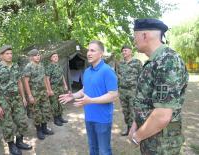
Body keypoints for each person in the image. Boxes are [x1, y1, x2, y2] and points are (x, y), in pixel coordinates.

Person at [128, 18, 189, 154]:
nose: (133, 40)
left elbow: (162, 115)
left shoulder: (168, 61)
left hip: (162, 145)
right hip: (151, 137)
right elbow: (144, 101)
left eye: (135, 36)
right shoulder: (155, 61)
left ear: (144, 35)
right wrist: (135, 125)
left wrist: (136, 137)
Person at [59, 40, 118, 155]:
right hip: (89, 117)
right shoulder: (87, 71)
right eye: (88, 50)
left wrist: (91, 100)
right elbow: (85, 89)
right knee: (93, 149)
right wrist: (73, 96)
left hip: (102, 119)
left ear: (101, 53)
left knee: (104, 150)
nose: (89, 53)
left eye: (93, 50)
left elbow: (113, 95)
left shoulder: (107, 71)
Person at [0, 45, 32, 155]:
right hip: (4, 100)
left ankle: (19, 141)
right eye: (7, 54)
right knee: (7, 124)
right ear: (1, 55)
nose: (10, 55)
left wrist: (23, 97)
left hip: (17, 98)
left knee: (22, 121)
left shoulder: (16, 66)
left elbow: (19, 83)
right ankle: (11, 145)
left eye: (11, 53)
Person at [23, 49, 54, 140]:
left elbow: (44, 78)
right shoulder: (28, 67)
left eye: (39, 55)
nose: (38, 57)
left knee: (45, 110)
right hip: (34, 93)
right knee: (36, 112)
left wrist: (48, 89)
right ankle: (39, 130)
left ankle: (44, 128)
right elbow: (26, 82)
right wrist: (29, 95)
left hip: (43, 92)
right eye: (36, 55)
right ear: (31, 57)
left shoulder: (41, 65)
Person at [116, 45, 142, 136]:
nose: (124, 52)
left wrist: (140, 91)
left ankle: (134, 130)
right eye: (123, 51)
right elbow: (118, 76)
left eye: (126, 50)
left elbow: (141, 77)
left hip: (133, 91)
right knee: (125, 111)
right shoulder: (120, 64)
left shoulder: (137, 63)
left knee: (133, 111)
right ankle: (128, 128)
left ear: (131, 52)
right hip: (122, 91)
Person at [45, 52, 69, 126]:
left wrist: (65, 85)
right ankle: (56, 119)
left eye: (57, 56)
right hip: (53, 87)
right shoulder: (49, 67)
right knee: (54, 103)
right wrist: (49, 90)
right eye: (54, 56)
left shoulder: (59, 66)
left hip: (60, 87)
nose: (56, 57)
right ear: (51, 58)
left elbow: (62, 76)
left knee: (60, 102)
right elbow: (47, 79)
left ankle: (60, 117)